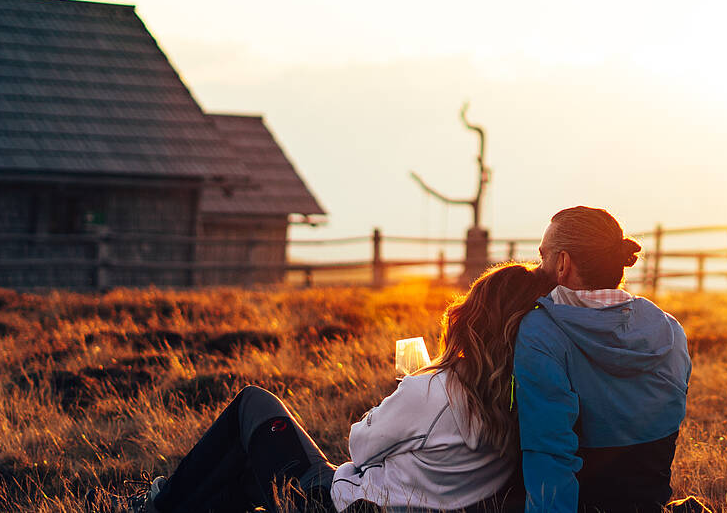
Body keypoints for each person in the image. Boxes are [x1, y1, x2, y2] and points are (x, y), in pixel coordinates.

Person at [127, 263, 554, 513]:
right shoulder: (527, 399)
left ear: (473, 317)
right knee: (244, 474)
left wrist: (403, 395)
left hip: (336, 505)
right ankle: (168, 502)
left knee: (253, 403)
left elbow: (360, 446)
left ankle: (160, 504)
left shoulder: (437, 391)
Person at [515, 206, 693, 513]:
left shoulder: (540, 332)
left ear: (562, 264)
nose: (537, 266)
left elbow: (549, 451)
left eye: (543, 256)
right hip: (648, 501)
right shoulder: (670, 329)